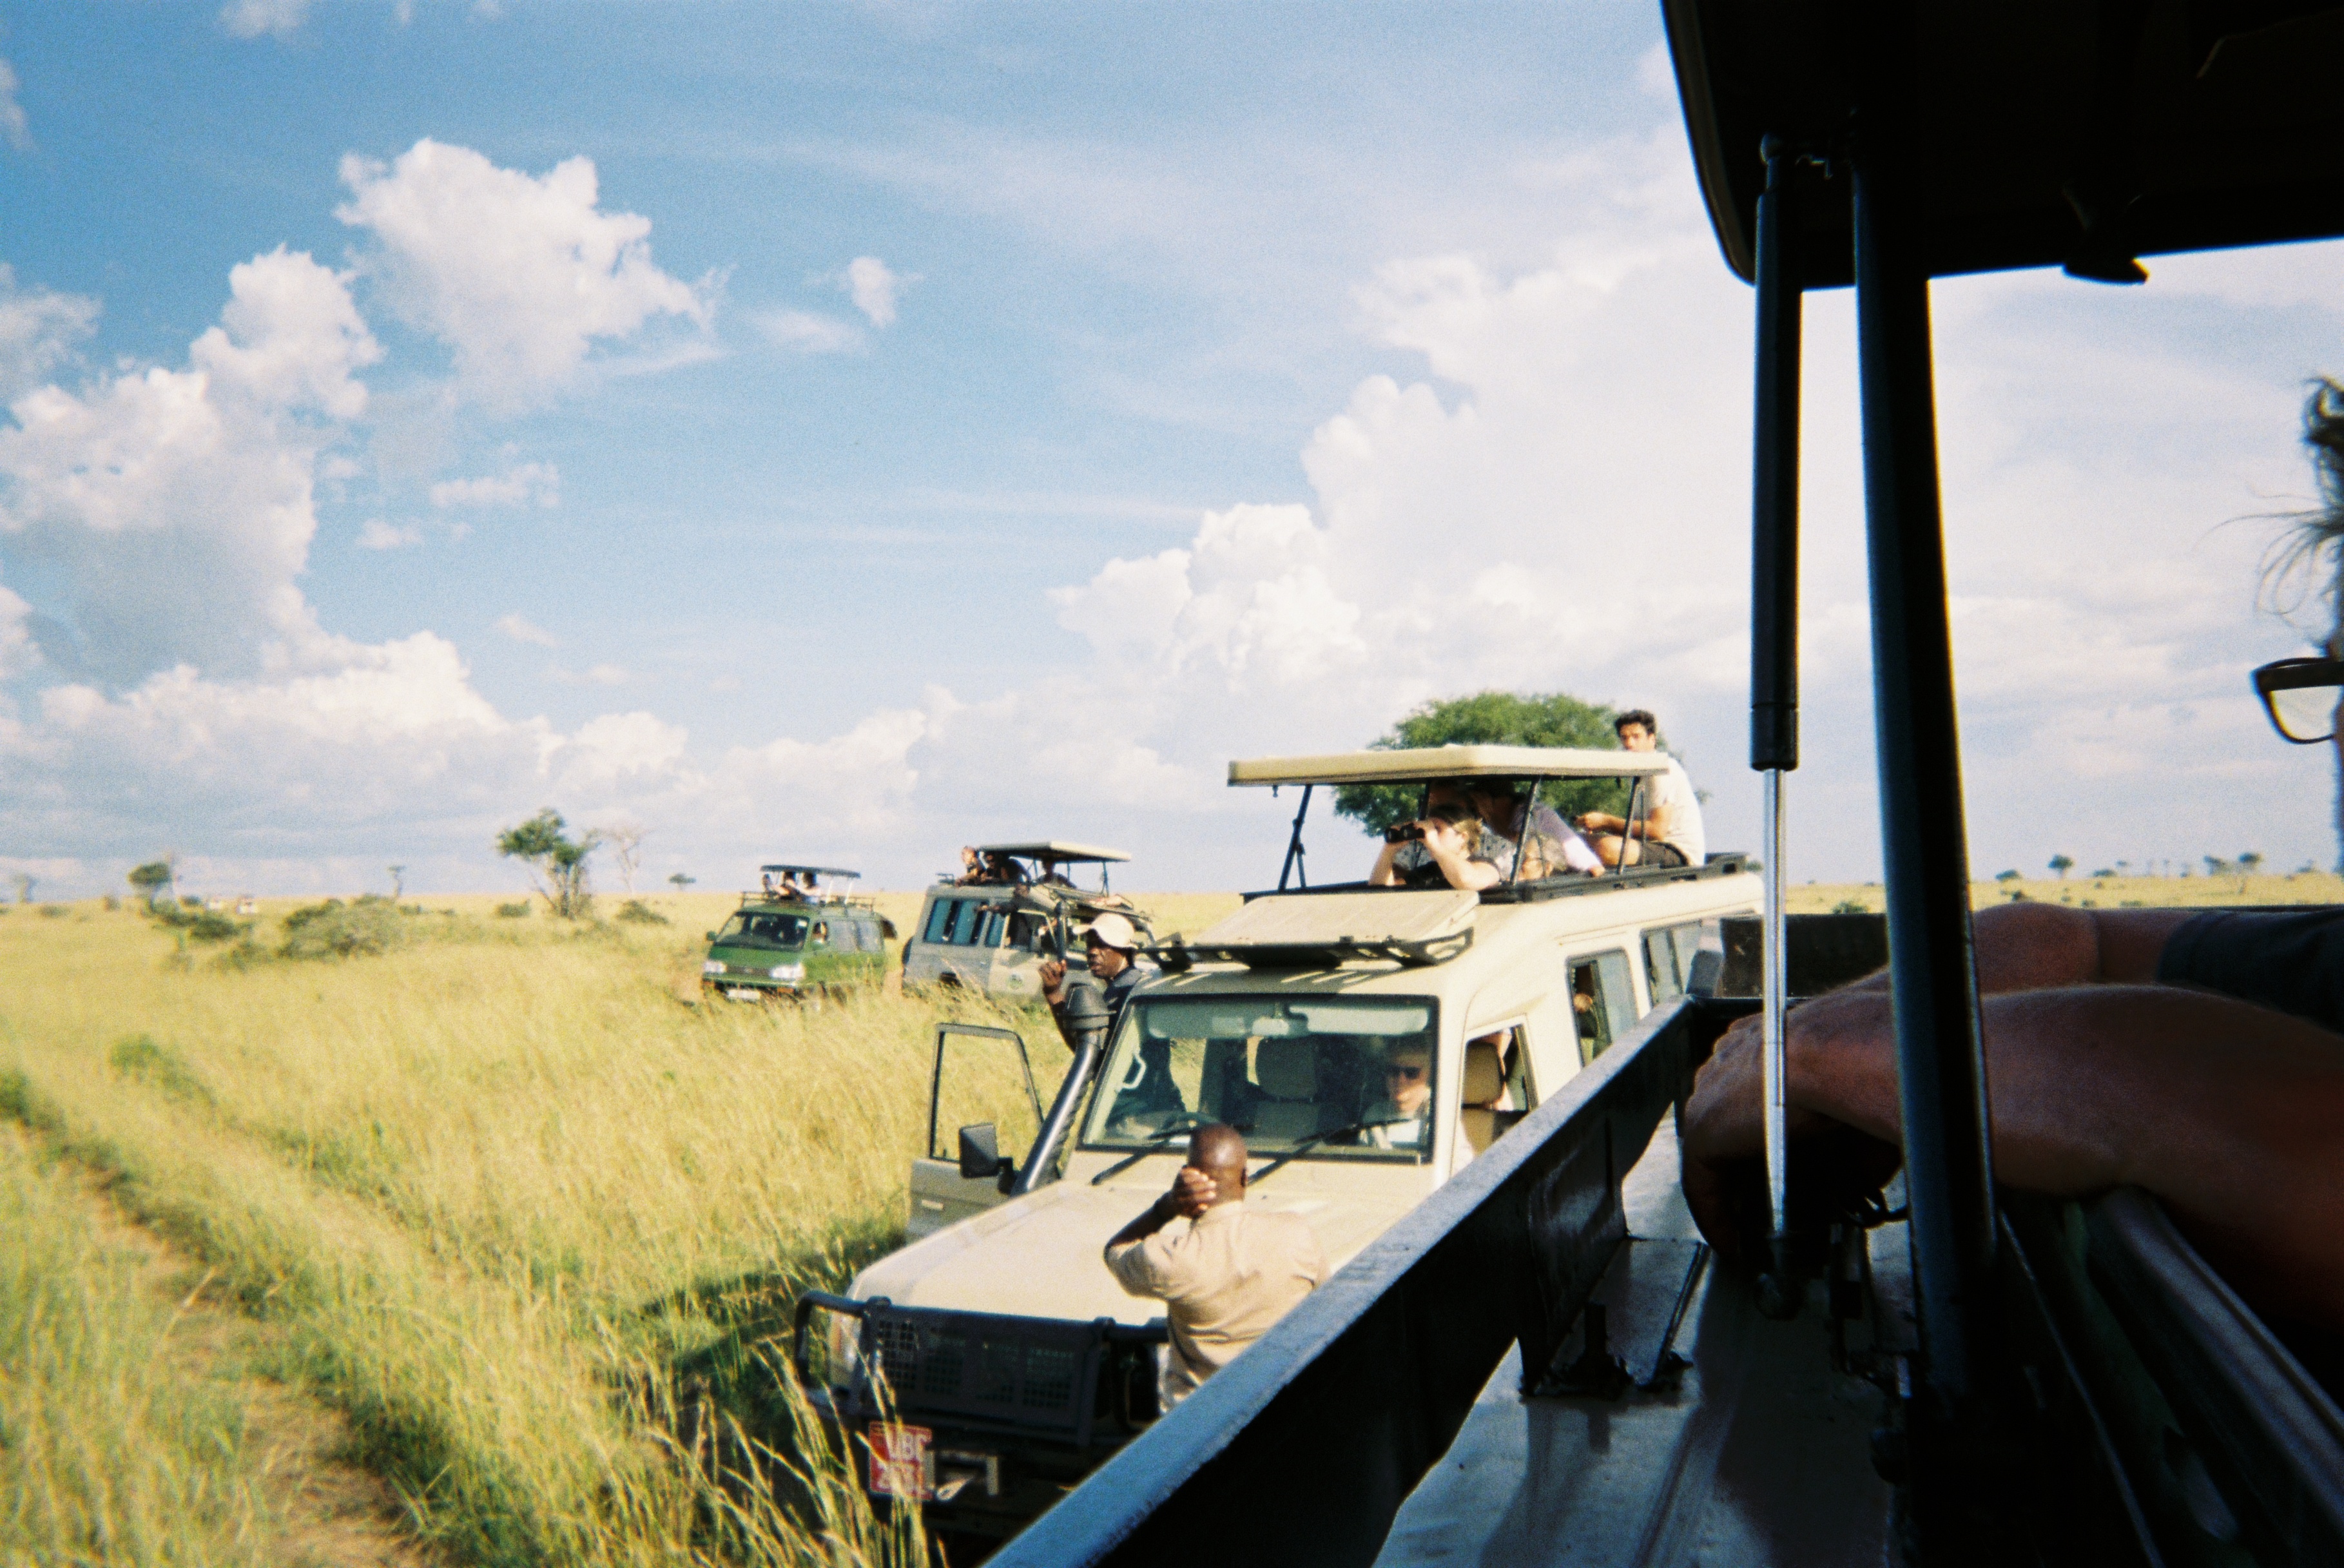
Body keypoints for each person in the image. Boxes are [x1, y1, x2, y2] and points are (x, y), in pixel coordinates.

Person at [1104, 1123, 1328, 1408]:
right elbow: (1325, 1307)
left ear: (1186, 1179)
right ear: (1245, 1177)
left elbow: (1115, 1249)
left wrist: (1168, 1206)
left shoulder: (1173, 1258)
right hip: (1281, 1413)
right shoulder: (1299, 1234)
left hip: (1195, 1422)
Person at [1578, 710, 1706, 869]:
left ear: (1652, 740)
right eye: (1624, 738)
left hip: (1677, 853)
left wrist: (1606, 822)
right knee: (1576, 842)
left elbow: (1656, 831)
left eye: (1636, 737)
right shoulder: (1640, 774)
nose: (1629, 744)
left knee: (1607, 848)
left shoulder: (1662, 770)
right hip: (1650, 846)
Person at [1040, 911, 1152, 1052]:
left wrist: (1054, 995)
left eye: (1102, 945)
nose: (1092, 952)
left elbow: (1094, 1053)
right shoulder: (1119, 987)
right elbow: (1086, 1050)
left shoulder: (1126, 993)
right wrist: (1053, 994)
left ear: (1125, 951)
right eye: (1090, 945)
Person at [1467, 779, 1604, 880]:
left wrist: (1489, 814)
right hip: (1551, 874)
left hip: (1582, 874)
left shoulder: (1530, 813)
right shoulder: (1505, 820)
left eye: (1477, 802)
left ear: (1499, 801)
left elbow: (1515, 845)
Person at [1369, 800, 1499, 891]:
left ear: (1463, 837)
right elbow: (1381, 893)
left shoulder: (1486, 866)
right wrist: (1389, 850)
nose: (1430, 835)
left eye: (1437, 830)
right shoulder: (1431, 872)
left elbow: (1466, 880)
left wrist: (1435, 846)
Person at [1361, 1040, 1436, 1152]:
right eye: (1394, 1071)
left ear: (1428, 1074)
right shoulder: (1374, 1117)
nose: (1401, 1080)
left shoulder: (1443, 1117)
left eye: (1411, 1072)